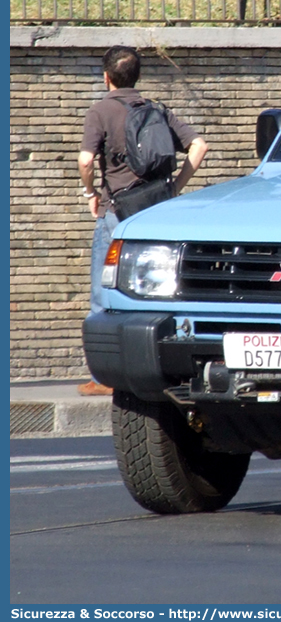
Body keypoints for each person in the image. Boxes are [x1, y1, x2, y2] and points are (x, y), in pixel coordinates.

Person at [76, 45, 208, 395]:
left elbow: (86, 160)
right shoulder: (156, 109)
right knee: (157, 292)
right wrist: (176, 186)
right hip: (156, 213)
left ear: (106, 77)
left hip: (117, 213)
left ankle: (105, 378)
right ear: (137, 76)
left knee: (103, 295)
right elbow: (199, 145)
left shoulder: (101, 110)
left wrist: (91, 194)